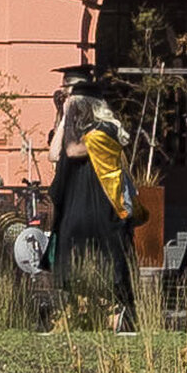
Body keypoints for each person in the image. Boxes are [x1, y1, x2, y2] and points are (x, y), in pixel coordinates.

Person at [45, 75, 142, 325]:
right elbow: (54, 154)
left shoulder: (103, 130)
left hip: (102, 207)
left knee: (106, 263)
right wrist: (62, 117)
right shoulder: (76, 130)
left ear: (87, 105)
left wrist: (67, 118)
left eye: (75, 104)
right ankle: (85, 314)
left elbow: (72, 151)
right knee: (72, 259)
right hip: (77, 205)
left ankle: (116, 315)